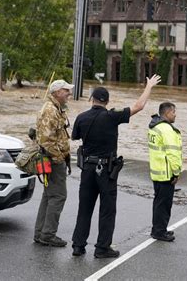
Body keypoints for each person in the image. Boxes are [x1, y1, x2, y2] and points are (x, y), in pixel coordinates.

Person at [71, 74, 161, 258]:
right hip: (106, 171)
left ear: (91, 99)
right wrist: (149, 86)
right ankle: (102, 248)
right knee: (107, 210)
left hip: (87, 169)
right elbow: (139, 106)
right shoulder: (112, 116)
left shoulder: (81, 117)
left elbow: (74, 137)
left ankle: (78, 246)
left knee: (84, 208)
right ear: (108, 101)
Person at [34, 79, 74, 247]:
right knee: (58, 196)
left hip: (50, 159)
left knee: (49, 196)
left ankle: (41, 233)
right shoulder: (51, 110)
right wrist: (59, 159)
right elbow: (46, 141)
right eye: (66, 90)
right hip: (52, 160)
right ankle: (48, 235)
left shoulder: (55, 108)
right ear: (57, 92)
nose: (69, 93)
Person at [148, 102, 182, 242]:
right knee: (164, 204)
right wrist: (176, 172)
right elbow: (173, 153)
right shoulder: (167, 129)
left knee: (158, 203)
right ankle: (160, 231)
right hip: (166, 173)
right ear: (167, 113)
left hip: (157, 172)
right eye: (174, 112)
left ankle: (157, 228)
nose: (175, 115)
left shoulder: (154, 126)